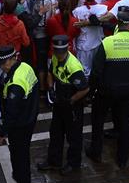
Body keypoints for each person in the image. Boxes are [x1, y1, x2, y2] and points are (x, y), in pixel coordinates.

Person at [87, 6, 129, 168]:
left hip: (107, 90)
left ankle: (96, 151)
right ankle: (122, 159)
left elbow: (96, 71)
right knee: (126, 125)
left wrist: (92, 91)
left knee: (98, 121)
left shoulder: (107, 43)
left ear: (118, 23)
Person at [0, 45, 39, 183]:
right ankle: (19, 177)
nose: (2, 67)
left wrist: (1, 134)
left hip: (20, 125)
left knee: (20, 159)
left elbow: (11, 114)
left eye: (4, 63)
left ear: (14, 59)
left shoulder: (15, 84)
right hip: (29, 118)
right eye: (0, 63)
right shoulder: (25, 67)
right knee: (21, 155)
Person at [36, 35, 89, 175]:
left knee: (74, 136)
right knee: (55, 133)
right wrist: (51, 88)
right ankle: (54, 161)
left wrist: (71, 101)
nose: (58, 55)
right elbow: (50, 72)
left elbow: (84, 89)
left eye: (61, 53)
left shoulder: (74, 66)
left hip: (72, 106)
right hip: (59, 101)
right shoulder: (55, 57)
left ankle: (74, 163)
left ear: (67, 49)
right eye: (56, 52)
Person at [0, 0, 32, 126]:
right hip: (13, 59)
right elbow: (26, 42)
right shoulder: (20, 24)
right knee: (11, 85)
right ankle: (12, 113)